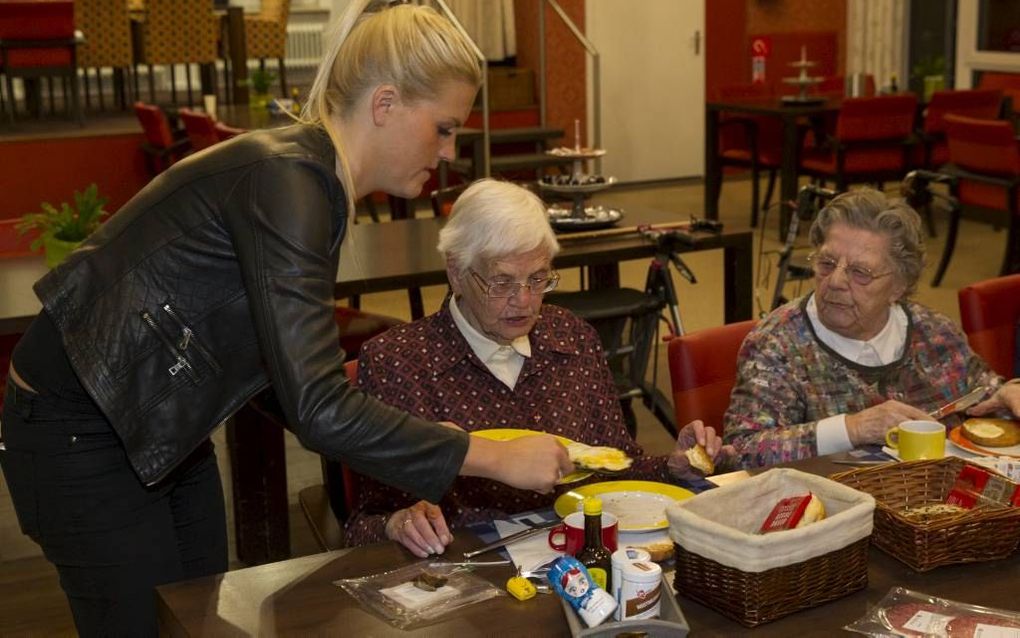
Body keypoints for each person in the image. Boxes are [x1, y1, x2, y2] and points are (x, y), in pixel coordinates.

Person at [0, 3, 574, 636]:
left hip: (158, 419)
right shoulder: (289, 182)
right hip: (82, 427)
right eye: (442, 128)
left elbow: (284, 373)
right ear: (385, 104)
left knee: (192, 617)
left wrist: (409, 438)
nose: (449, 149)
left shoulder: (310, 181)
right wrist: (486, 456)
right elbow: (317, 407)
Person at [343, 179, 730, 556]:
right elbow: (362, 527)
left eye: (538, 278)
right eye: (502, 282)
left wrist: (673, 468)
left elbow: (616, 470)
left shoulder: (573, 338)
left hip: (577, 558)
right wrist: (398, 524)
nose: (524, 301)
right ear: (456, 272)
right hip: (465, 573)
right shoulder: (399, 361)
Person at [724, 188, 1020, 468]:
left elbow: (983, 393)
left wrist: (1007, 395)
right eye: (827, 263)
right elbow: (743, 451)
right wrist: (853, 428)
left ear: (899, 287)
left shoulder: (934, 333)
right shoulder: (778, 343)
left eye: (860, 272)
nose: (836, 281)